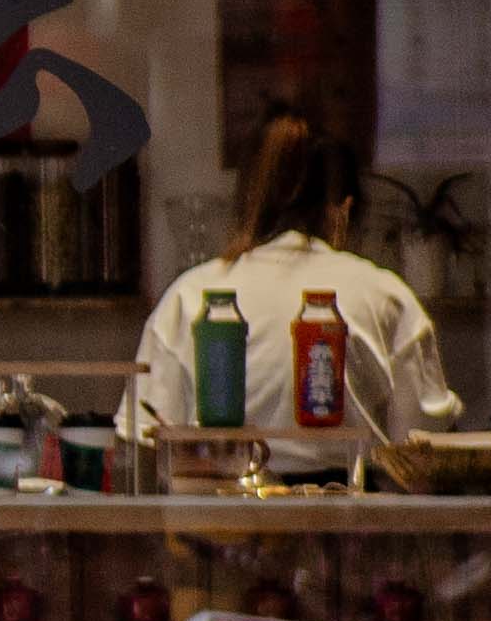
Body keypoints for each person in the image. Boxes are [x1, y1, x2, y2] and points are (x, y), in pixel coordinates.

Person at [120, 117, 459, 454]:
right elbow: (420, 442)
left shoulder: (193, 295)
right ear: (344, 209)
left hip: (220, 502)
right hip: (353, 502)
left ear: (247, 202)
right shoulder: (384, 295)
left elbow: (147, 438)